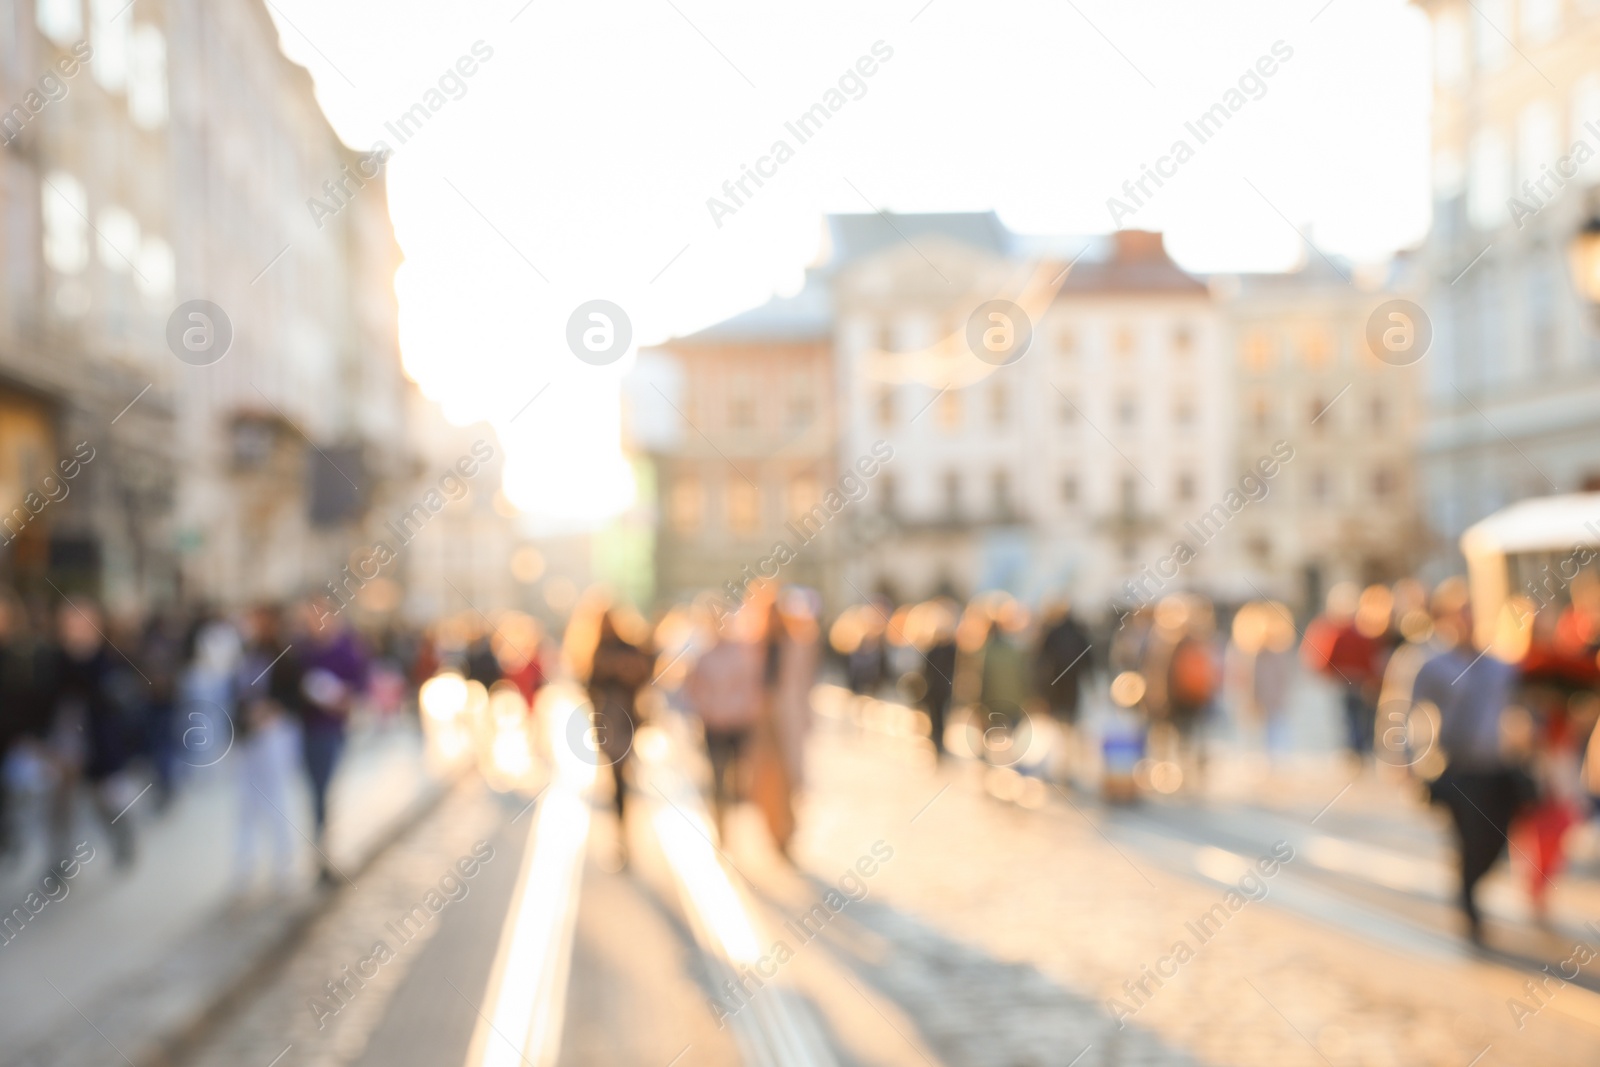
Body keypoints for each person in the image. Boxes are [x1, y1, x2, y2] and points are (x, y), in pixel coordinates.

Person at [1412, 583, 1525, 944]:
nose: (1468, 618)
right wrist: (1406, 764)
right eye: (1460, 611)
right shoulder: (1431, 666)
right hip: (1457, 769)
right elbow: (1405, 714)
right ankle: (1468, 900)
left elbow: (1520, 708)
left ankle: (1471, 885)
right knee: (1469, 840)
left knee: (1496, 841)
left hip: (1496, 766)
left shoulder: (1500, 665)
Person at [40, 600, 139, 868]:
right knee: (60, 808)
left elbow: (120, 703)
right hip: (64, 742)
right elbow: (42, 701)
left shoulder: (109, 660)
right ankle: (59, 863)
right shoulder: (54, 659)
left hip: (99, 745)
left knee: (105, 803)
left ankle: (123, 842)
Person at [565, 591, 654, 866]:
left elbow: (645, 674)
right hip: (605, 720)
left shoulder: (629, 646)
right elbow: (585, 683)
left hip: (626, 718)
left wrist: (626, 671)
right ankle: (620, 831)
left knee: (620, 773)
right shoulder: (591, 650)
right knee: (614, 773)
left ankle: (622, 832)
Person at [292, 598, 369, 885]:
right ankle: (318, 851)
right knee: (316, 792)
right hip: (306, 728)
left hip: (331, 728)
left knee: (324, 791)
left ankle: (322, 850)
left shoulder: (346, 646)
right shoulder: (301, 648)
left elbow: (360, 681)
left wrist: (345, 699)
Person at [232, 605, 300, 894]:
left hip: (276, 733)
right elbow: (239, 692)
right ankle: (245, 864)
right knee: (247, 802)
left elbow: (293, 694)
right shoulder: (247, 652)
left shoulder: (285, 655)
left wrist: (271, 710)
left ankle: (283, 863)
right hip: (250, 735)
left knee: (275, 798)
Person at [750, 589, 819, 857]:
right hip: (761, 720)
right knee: (766, 778)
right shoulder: (754, 645)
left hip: (787, 719)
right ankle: (773, 828)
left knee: (789, 778)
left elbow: (803, 683)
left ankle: (787, 829)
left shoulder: (796, 643)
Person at [686, 603, 765, 839]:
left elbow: (753, 687)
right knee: (717, 775)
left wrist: (748, 711)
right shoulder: (703, 656)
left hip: (738, 724)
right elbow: (691, 690)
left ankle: (734, 820)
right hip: (714, 725)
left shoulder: (742, 653)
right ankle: (721, 824)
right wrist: (705, 708)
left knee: (738, 777)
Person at [1302, 582, 1387, 761]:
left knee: (1355, 715)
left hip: (1355, 680)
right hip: (1347, 679)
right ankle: (1356, 747)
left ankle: (1358, 747)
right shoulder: (1334, 630)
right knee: (1352, 715)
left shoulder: (1356, 629)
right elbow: (1321, 655)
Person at [1035, 600, 1092, 779]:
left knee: (1059, 725)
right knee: (1069, 724)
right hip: (1071, 686)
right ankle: (1067, 765)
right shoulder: (1078, 632)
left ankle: (1062, 765)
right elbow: (1088, 661)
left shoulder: (1052, 633)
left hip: (1056, 687)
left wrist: (1041, 688)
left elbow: (1041, 661)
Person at [915, 599, 958, 758]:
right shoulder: (931, 648)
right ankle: (936, 741)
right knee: (934, 716)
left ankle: (939, 741)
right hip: (934, 689)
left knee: (942, 716)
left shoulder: (950, 648)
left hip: (943, 688)